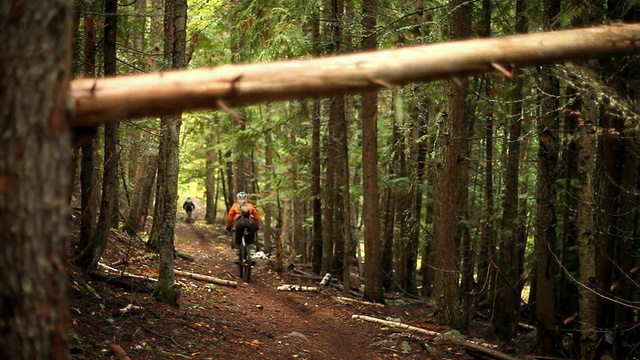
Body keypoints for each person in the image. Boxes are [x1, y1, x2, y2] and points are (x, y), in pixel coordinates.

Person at [226, 192, 260, 264]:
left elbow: (230, 217)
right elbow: (256, 216)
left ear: (237, 198)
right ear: (246, 198)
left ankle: (238, 257)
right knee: (251, 241)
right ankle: (252, 256)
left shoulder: (235, 205)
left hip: (240, 223)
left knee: (238, 241)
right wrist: (257, 226)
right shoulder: (250, 205)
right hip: (251, 223)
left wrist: (229, 227)